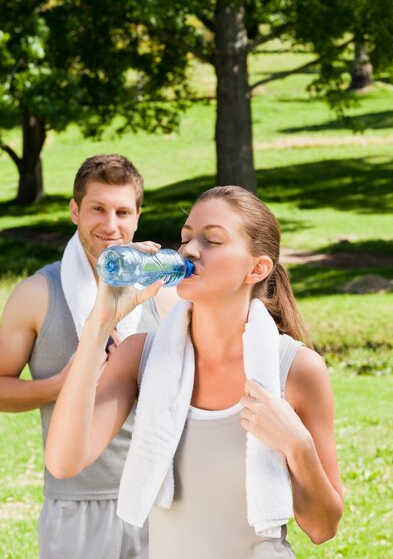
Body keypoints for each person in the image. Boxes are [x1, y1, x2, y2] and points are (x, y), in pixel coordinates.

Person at [45, 185, 344, 559]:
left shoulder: (296, 369)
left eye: (211, 241)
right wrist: (99, 324)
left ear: (257, 268)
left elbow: (322, 528)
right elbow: (63, 461)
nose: (187, 250)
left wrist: (297, 446)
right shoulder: (142, 355)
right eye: (186, 238)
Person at [0, 154, 178, 559]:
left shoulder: (163, 298)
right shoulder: (36, 295)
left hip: (158, 501)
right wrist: (56, 386)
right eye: (97, 209)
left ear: (137, 217)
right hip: (76, 505)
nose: (110, 225)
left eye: (122, 211)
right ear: (75, 211)